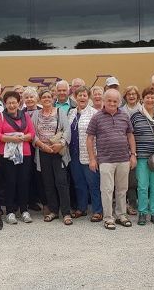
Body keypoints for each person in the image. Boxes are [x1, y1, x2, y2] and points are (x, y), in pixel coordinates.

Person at [87, 89, 136, 230]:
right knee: (107, 190)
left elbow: (130, 136)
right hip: (106, 160)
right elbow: (89, 139)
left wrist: (133, 155)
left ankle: (121, 215)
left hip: (123, 159)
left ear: (119, 102)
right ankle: (108, 218)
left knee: (122, 189)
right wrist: (92, 159)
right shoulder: (97, 117)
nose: (112, 103)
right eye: (109, 100)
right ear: (104, 100)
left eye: (115, 101)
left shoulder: (125, 116)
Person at [0, 91, 35, 224]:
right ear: (5, 103)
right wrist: (12, 138)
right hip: (7, 154)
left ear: (19, 103)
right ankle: (10, 211)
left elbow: (32, 133)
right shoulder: (0, 116)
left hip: (25, 153)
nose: (11, 105)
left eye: (14, 102)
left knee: (24, 181)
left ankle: (24, 210)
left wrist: (23, 137)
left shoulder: (25, 115)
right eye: (9, 102)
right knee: (9, 182)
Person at [32, 89, 72, 225]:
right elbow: (32, 133)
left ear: (52, 98)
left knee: (61, 182)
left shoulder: (60, 112)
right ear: (40, 100)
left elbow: (67, 130)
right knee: (47, 183)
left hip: (57, 152)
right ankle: (54, 211)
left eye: (49, 97)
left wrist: (60, 144)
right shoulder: (36, 114)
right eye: (44, 97)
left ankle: (66, 213)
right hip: (43, 152)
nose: (47, 99)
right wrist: (42, 146)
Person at [130, 87, 154, 225]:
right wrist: (132, 154)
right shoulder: (135, 116)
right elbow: (131, 135)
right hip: (141, 156)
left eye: (153, 97)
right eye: (148, 97)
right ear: (143, 99)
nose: (150, 99)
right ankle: (142, 212)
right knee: (142, 185)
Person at [68, 86, 102, 222]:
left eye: (84, 95)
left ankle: (98, 210)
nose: (82, 98)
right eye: (79, 95)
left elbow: (99, 136)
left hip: (89, 155)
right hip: (74, 154)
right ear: (75, 98)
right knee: (78, 183)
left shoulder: (94, 113)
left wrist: (96, 156)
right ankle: (82, 208)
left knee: (93, 183)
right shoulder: (71, 113)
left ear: (88, 97)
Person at [121, 85, 142, 215]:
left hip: (144, 147)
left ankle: (146, 203)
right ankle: (132, 204)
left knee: (144, 179)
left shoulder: (144, 109)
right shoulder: (121, 110)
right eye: (129, 94)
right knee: (131, 179)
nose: (132, 96)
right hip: (126, 148)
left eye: (134, 94)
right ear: (125, 97)